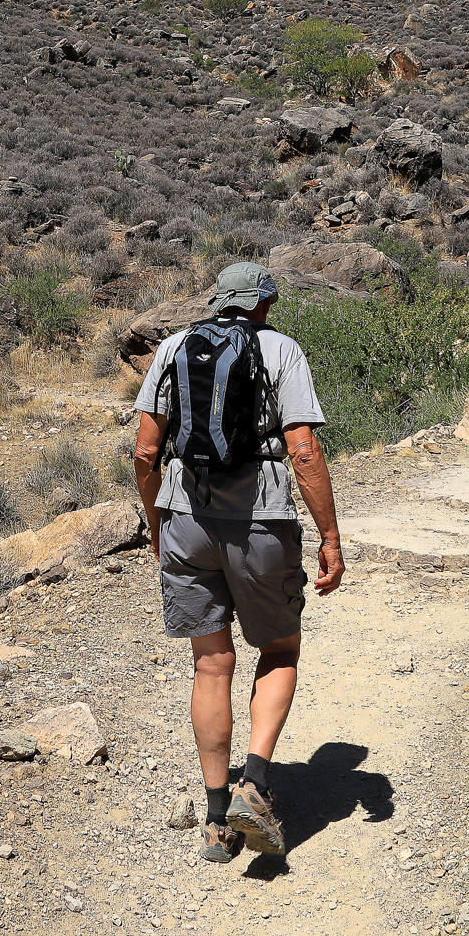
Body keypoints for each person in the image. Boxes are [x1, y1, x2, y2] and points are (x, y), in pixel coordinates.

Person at [132, 260, 344, 862]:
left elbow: (147, 450)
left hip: (183, 517)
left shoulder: (174, 346)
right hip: (261, 520)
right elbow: (302, 450)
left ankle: (217, 819)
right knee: (278, 647)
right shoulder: (281, 351)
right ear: (261, 305)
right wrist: (329, 534)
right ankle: (255, 780)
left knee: (210, 663)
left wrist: (155, 522)